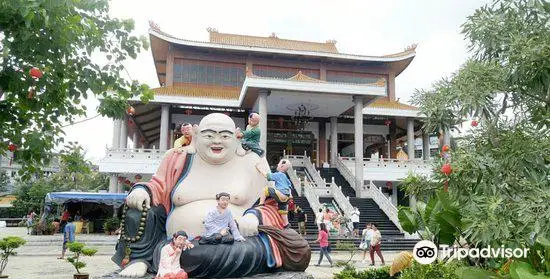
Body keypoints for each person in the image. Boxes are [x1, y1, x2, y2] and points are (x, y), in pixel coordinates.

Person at [115, 113, 311, 278]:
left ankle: (170, 260)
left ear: (237, 137)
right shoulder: (178, 158)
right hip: (178, 240)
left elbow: (271, 201)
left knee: (242, 253)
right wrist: (142, 190)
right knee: (138, 210)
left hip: (236, 244)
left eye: (225, 136)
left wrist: (254, 216)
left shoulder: (252, 161)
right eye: (209, 135)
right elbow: (158, 186)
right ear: (197, 134)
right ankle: (141, 258)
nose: (217, 141)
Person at [255, 159, 293, 227]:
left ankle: (261, 204)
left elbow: (267, 176)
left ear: (282, 166)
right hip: (286, 196)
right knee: (283, 211)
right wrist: (290, 196)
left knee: (265, 190)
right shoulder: (286, 178)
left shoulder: (279, 174)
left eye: (278, 164)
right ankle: (286, 224)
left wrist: (258, 168)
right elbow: (289, 188)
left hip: (281, 193)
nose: (277, 165)